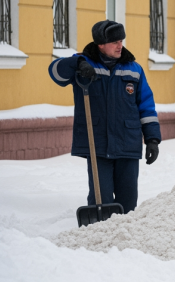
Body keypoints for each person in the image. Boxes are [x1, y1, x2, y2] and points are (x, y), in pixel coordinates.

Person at [48, 20, 161, 213]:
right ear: (101, 44)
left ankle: (126, 238)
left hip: (128, 142)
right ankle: (100, 234)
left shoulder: (134, 69)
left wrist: (152, 138)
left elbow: (146, 106)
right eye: (115, 42)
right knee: (101, 198)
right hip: (97, 144)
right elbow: (55, 73)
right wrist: (77, 62)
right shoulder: (83, 63)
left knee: (128, 200)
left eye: (121, 41)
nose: (120, 46)